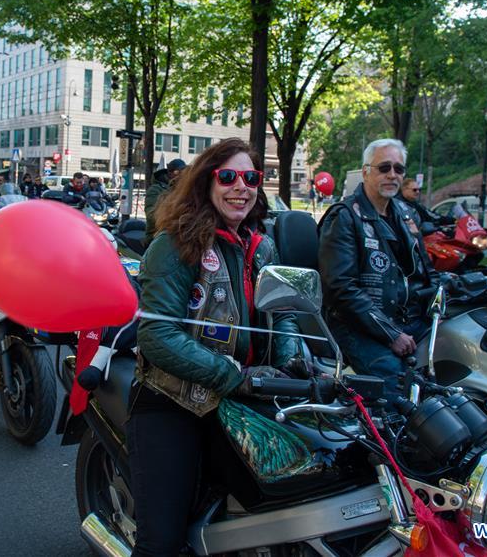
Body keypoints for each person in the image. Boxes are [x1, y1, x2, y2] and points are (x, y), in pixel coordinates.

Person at [132, 138, 301, 555]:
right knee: (161, 543)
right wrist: (235, 376)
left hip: (246, 398)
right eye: (228, 176)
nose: (240, 186)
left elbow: (284, 316)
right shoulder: (174, 245)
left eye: (250, 178)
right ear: (206, 182)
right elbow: (157, 335)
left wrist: (294, 361)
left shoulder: (264, 248)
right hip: (175, 401)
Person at [317, 139, 437, 401]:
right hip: (356, 324)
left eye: (398, 169)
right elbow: (340, 289)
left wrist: (446, 291)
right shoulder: (344, 217)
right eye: (384, 168)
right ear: (365, 172)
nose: (392, 174)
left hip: (404, 318)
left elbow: (425, 269)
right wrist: (390, 333)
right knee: (397, 391)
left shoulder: (405, 215)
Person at [144, 158, 187, 247]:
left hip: (177, 236)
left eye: (184, 172)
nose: (181, 175)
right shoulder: (155, 190)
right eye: (178, 172)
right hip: (156, 236)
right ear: (169, 173)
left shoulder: (182, 190)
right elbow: (152, 216)